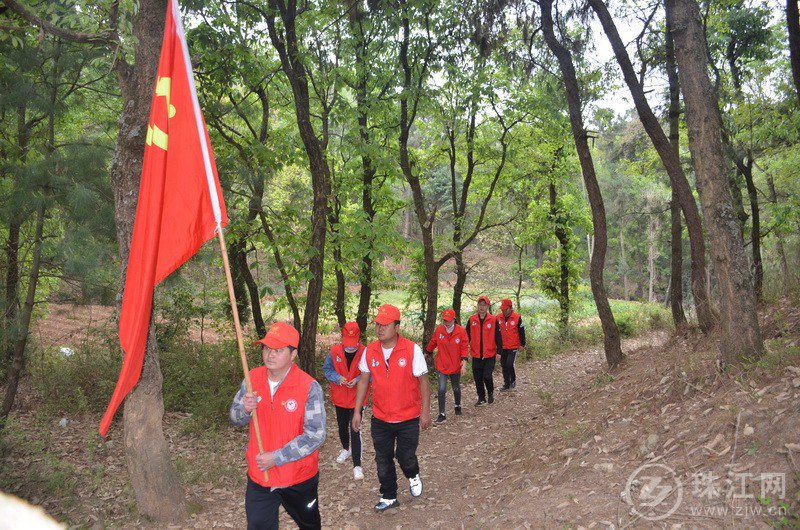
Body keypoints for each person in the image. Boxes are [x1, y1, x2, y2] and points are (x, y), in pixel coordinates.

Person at [230, 322, 326, 530]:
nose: (270, 355)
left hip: (298, 477)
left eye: (278, 350)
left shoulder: (308, 386)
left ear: (293, 355)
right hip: (260, 476)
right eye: (267, 348)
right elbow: (235, 419)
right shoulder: (251, 378)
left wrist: (277, 457)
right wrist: (245, 410)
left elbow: (316, 435)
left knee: (309, 525)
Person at [351, 304, 431, 513]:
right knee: (383, 458)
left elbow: (423, 381)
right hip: (380, 417)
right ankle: (388, 495)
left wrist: (425, 412)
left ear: (397, 326)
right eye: (378, 324)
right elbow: (363, 381)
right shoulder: (370, 351)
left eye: (385, 324)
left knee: (405, 457)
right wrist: (357, 411)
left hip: (408, 417)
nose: (380, 328)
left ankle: (413, 474)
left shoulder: (412, 349)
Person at [322, 321, 367, 480]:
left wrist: (357, 379)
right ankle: (345, 448)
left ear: (358, 339)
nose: (350, 348)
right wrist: (337, 378)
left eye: (353, 344)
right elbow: (327, 369)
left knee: (355, 428)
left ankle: (357, 465)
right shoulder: (333, 351)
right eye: (347, 344)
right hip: (340, 396)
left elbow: (371, 373)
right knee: (342, 426)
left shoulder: (365, 352)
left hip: (358, 398)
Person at [426, 308, 468, 423]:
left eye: (448, 320)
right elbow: (433, 342)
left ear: (454, 319)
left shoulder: (461, 331)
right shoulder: (439, 330)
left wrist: (463, 364)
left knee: (456, 387)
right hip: (442, 364)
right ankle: (442, 414)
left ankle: (458, 404)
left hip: (455, 366)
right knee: (441, 389)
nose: (446, 322)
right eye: (444, 320)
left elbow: (464, 348)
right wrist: (427, 351)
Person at [466, 295, 503, 406]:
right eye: (480, 305)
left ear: (487, 306)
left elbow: (498, 336)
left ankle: (490, 392)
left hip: (489, 354)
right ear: (477, 306)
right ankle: (481, 398)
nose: (481, 307)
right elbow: (466, 336)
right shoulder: (472, 319)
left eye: (484, 305)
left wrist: (499, 352)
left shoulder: (493, 319)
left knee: (487, 376)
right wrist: (464, 352)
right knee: (477, 378)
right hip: (476, 354)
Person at [496, 298, 526, 391]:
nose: (503, 311)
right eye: (502, 309)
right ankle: (506, 383)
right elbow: (496, 333)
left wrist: (522, 344)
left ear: (510, 308)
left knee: (509, 363)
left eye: (505, 309)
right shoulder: (498, 317)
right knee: (503, 364)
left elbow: (522, 332)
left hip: (513, 345)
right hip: (502, 346)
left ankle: (513, 380)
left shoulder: (517, 317)